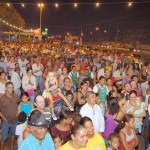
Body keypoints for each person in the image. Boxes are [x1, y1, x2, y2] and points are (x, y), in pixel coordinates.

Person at [0, 81, 20, 150]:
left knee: (13, 135)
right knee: (4, 137)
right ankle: (2, 148)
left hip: (15, 120)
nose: (11, 89)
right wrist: (3, 118)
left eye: (12, 87)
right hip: (6, 121)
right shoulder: (2, 99)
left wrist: (18, 112)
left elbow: (19, 104)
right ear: (5, 88)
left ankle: (11, 146)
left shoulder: (16, 96)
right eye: (9, 87)